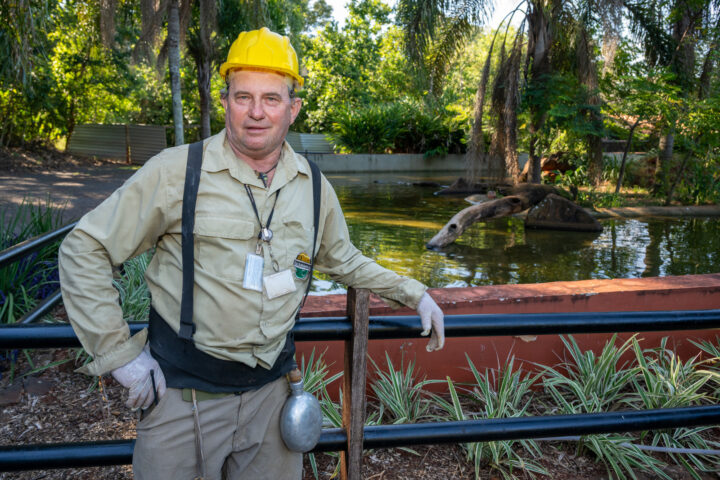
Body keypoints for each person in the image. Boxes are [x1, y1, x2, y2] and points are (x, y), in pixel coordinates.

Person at [58, 27, 445, 479]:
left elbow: (343, 258)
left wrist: (414, 292)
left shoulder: (314, 187)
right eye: (243, 97)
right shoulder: (176, 171)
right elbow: (85, 247)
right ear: (224, 101)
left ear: (293, 109)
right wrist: (119, 354)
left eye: (271, 99)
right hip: (184, 399)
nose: (256, 113)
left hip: (272, 398)